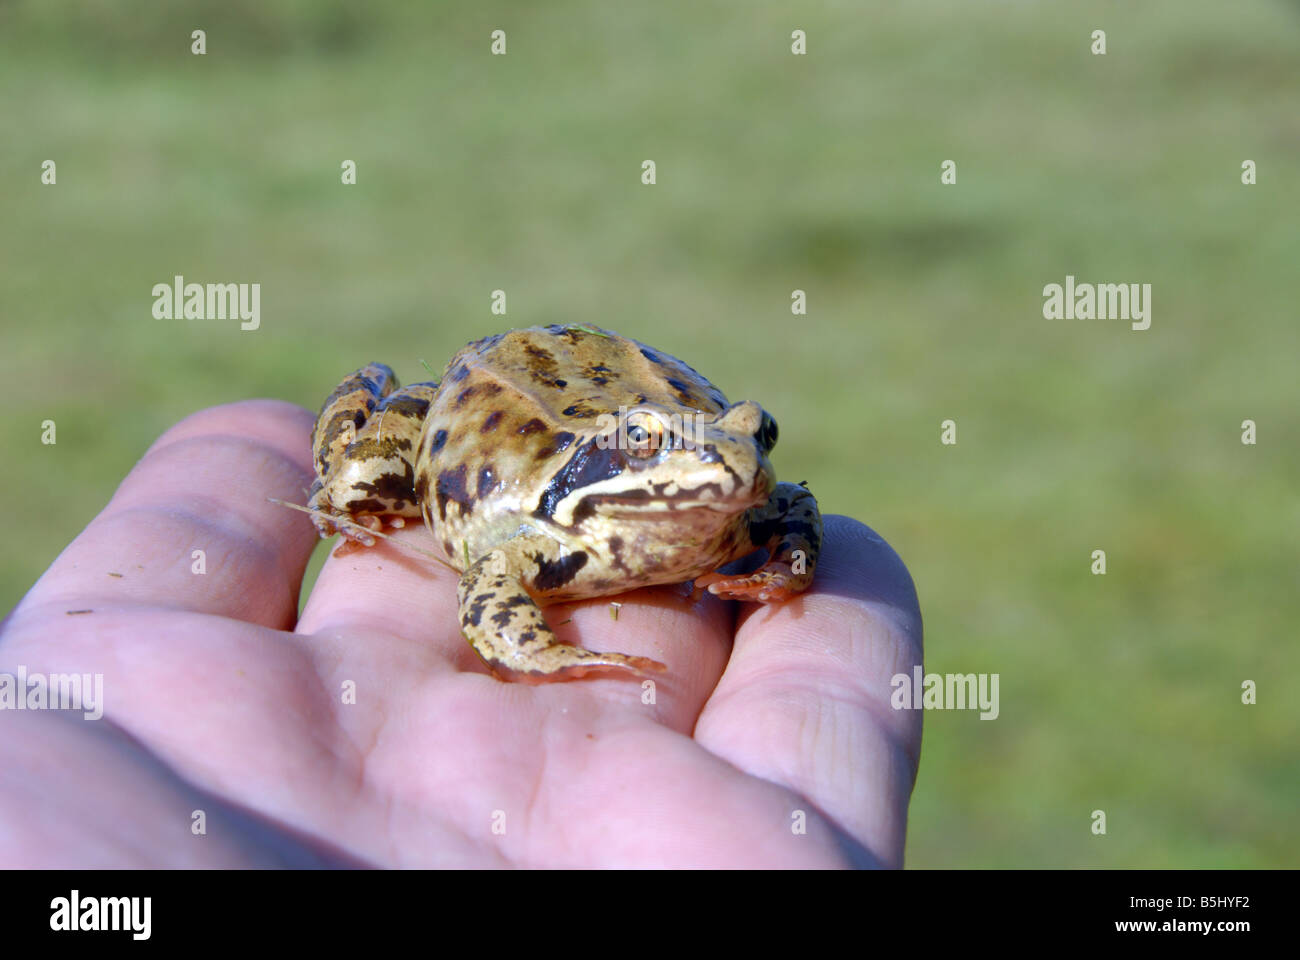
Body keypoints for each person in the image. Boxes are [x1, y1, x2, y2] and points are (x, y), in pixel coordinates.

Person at [0, 400, 923, 868]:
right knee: (365, 480)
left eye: (748, 436)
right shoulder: (549, 531)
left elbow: (793, 511)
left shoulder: (741, 499)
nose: (729, 463)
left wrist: (783, 563)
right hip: (493, 440)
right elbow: (491, 594)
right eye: (647, 445)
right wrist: (557, 653)